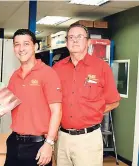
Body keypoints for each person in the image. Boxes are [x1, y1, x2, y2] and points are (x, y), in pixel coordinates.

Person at [53, 23, 120, 166]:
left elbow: (114, 101)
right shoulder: (57, 68)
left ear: (88, 42)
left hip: (88, 139)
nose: (75, 40)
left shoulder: (101, 67)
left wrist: (93, 111)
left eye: (79, 37)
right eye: (71, 37)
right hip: (62, 137)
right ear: (66, 42)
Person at [4, 29, 62, 166]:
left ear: (35, 47)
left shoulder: (48, 73)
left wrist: (49, 143)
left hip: (38, 146)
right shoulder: (14, 76)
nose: (21, 48)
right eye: (17, 44)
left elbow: (57, 111)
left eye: (26, 44)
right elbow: (6, 104)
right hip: (14, 142)